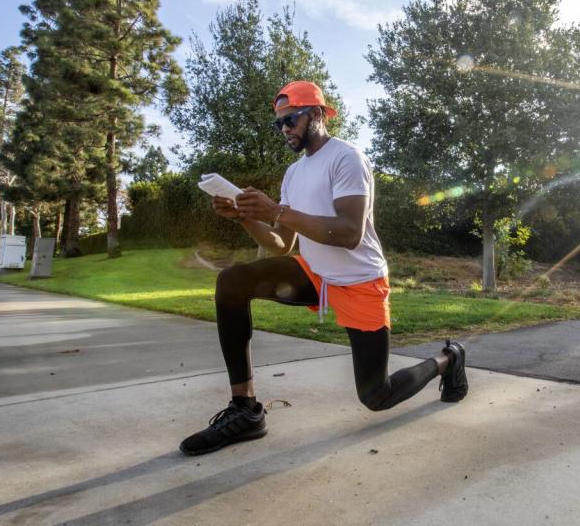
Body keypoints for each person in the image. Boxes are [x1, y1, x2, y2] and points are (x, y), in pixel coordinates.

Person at [180, 80, 468, 456]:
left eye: (292, 120)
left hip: (359, 280)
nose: (284, 130)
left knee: (376, 396)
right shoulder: (293, 173)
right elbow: (282, 242)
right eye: (278, 124)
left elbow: (349, 233)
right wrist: (245, 217)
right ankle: (246, 410)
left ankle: (449, 359)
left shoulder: (347, 158)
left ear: (316, 114)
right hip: (315, 274)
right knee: (232, 282)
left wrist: (276, 210)